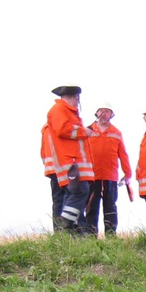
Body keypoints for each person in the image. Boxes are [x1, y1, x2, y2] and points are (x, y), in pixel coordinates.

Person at [45, 85, 98, 233]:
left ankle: (71, 230)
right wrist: (84, 131)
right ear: (76, 97)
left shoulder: (67, 112)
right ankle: (66, 223)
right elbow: (63, 129)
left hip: (74, 163)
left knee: (75, 194)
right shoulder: (58, 110)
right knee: (80, 191)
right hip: (70, 163)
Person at [84, 102, 132, 237]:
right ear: (97, 113)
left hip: (110, 177)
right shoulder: (88, 131)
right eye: (102, 111)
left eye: (107, 111)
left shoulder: (116, 133)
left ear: (112, 114)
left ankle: (111, 235)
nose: (104, 114)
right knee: (91, 206)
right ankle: (90, 236)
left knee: (110, 207)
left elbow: (123, 154)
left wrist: (127, 174)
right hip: (92, 177)